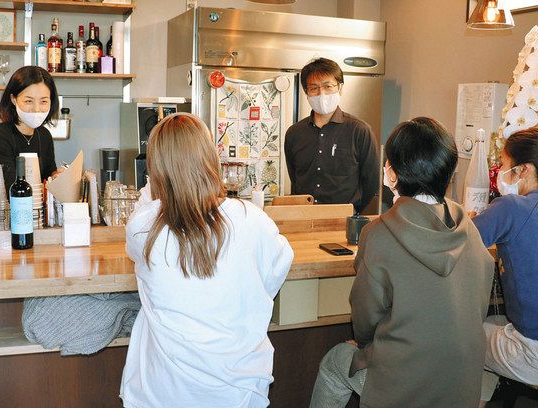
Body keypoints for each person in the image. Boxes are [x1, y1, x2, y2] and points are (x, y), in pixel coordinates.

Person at [309, 117, 494, 408]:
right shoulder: (468, 228)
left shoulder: (379, 233)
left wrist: (365, 346)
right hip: (462, 384)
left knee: (335, 362)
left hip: (404, 388)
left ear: (393, 173)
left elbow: (365, 316)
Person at [120, 113, 294, 408]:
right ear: (211, 159)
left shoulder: (143, 227)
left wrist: (153, 191)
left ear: (154, 169)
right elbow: (276, 269)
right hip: (238, 393)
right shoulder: (251, 219)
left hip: (162, 393)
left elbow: (146, 224)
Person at [471, 128, 538, 407]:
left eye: (504, 165)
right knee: (493, 325)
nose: (500, 173)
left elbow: (458, 241)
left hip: (532, 353)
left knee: (463, 335)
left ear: (523, 170)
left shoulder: (512, 207)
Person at [284, 58, 379, 213]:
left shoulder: (360, 131)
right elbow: (295, 179)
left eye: (328, 86)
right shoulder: (294, 133)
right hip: (304, 216)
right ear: (306, 93)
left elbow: (371, 182)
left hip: (344, 219)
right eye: (314, 88)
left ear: (340, 88)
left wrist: (352, 211)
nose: (321, 93)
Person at [0, 66, 60, 188]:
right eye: (28, 101)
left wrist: (57, 177)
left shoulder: (44, 135)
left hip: (35, 201)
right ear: (13, 99)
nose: (36, 109)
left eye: (43, 101)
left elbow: (49, 175)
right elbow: (10, 188)